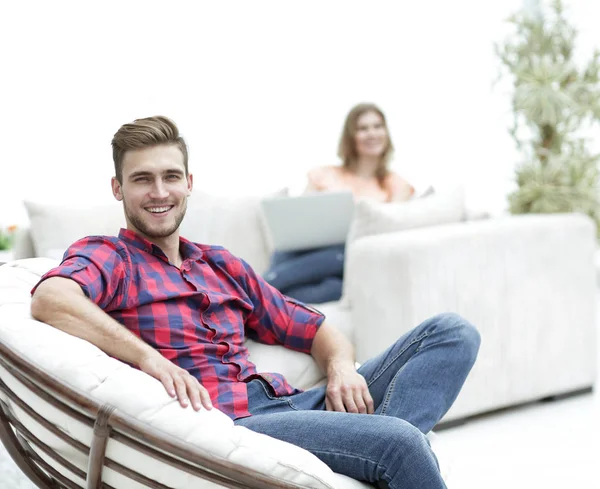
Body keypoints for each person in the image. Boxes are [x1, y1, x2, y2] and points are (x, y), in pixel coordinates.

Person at [30, 116, 480, 489]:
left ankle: (368, 450)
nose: (159, 192)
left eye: (170, 177)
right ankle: (382, 448)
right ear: (117, 188)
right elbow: (51, 299)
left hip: (297, 404)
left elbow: (315, 328)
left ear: (188, 183)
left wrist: (342, 368)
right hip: (234, 424)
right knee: (400, 443)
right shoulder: (110, 256)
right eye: (142, 179)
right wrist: (151, 360)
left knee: (452, 333)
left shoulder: (220, 264)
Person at [264, 103, 414, 304]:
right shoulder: (324, 174)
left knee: (334, 285)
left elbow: (391, 228)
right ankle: (262, 296)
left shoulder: (395, 185)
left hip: (348, 255)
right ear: (351, 136)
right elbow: (301, 217)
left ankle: (257, 290)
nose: (372, 133)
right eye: (363, 128)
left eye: (378, 126)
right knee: (284, 253)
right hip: (311, 248)